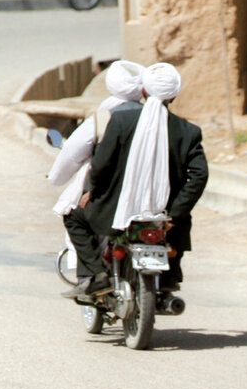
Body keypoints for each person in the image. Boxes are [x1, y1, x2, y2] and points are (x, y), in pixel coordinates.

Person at [64, 62, 208, 300]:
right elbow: (199, 176)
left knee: (73, 216)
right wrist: (175, 213)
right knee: (181, 226)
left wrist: (93, 190)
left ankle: (97, 274)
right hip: (167, 218)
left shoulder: (120, 122)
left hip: (115, 210)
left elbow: (101, 164)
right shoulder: (188, 131)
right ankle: (171, 275)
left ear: (143, 91)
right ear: (174, 95)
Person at [47, 59, 145, 222]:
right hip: (148, 198)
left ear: (110, 83)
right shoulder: (157, 117)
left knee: (74, 219)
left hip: (106, 196)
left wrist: (56, 177)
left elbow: (73, 151)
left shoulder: (102, 118)